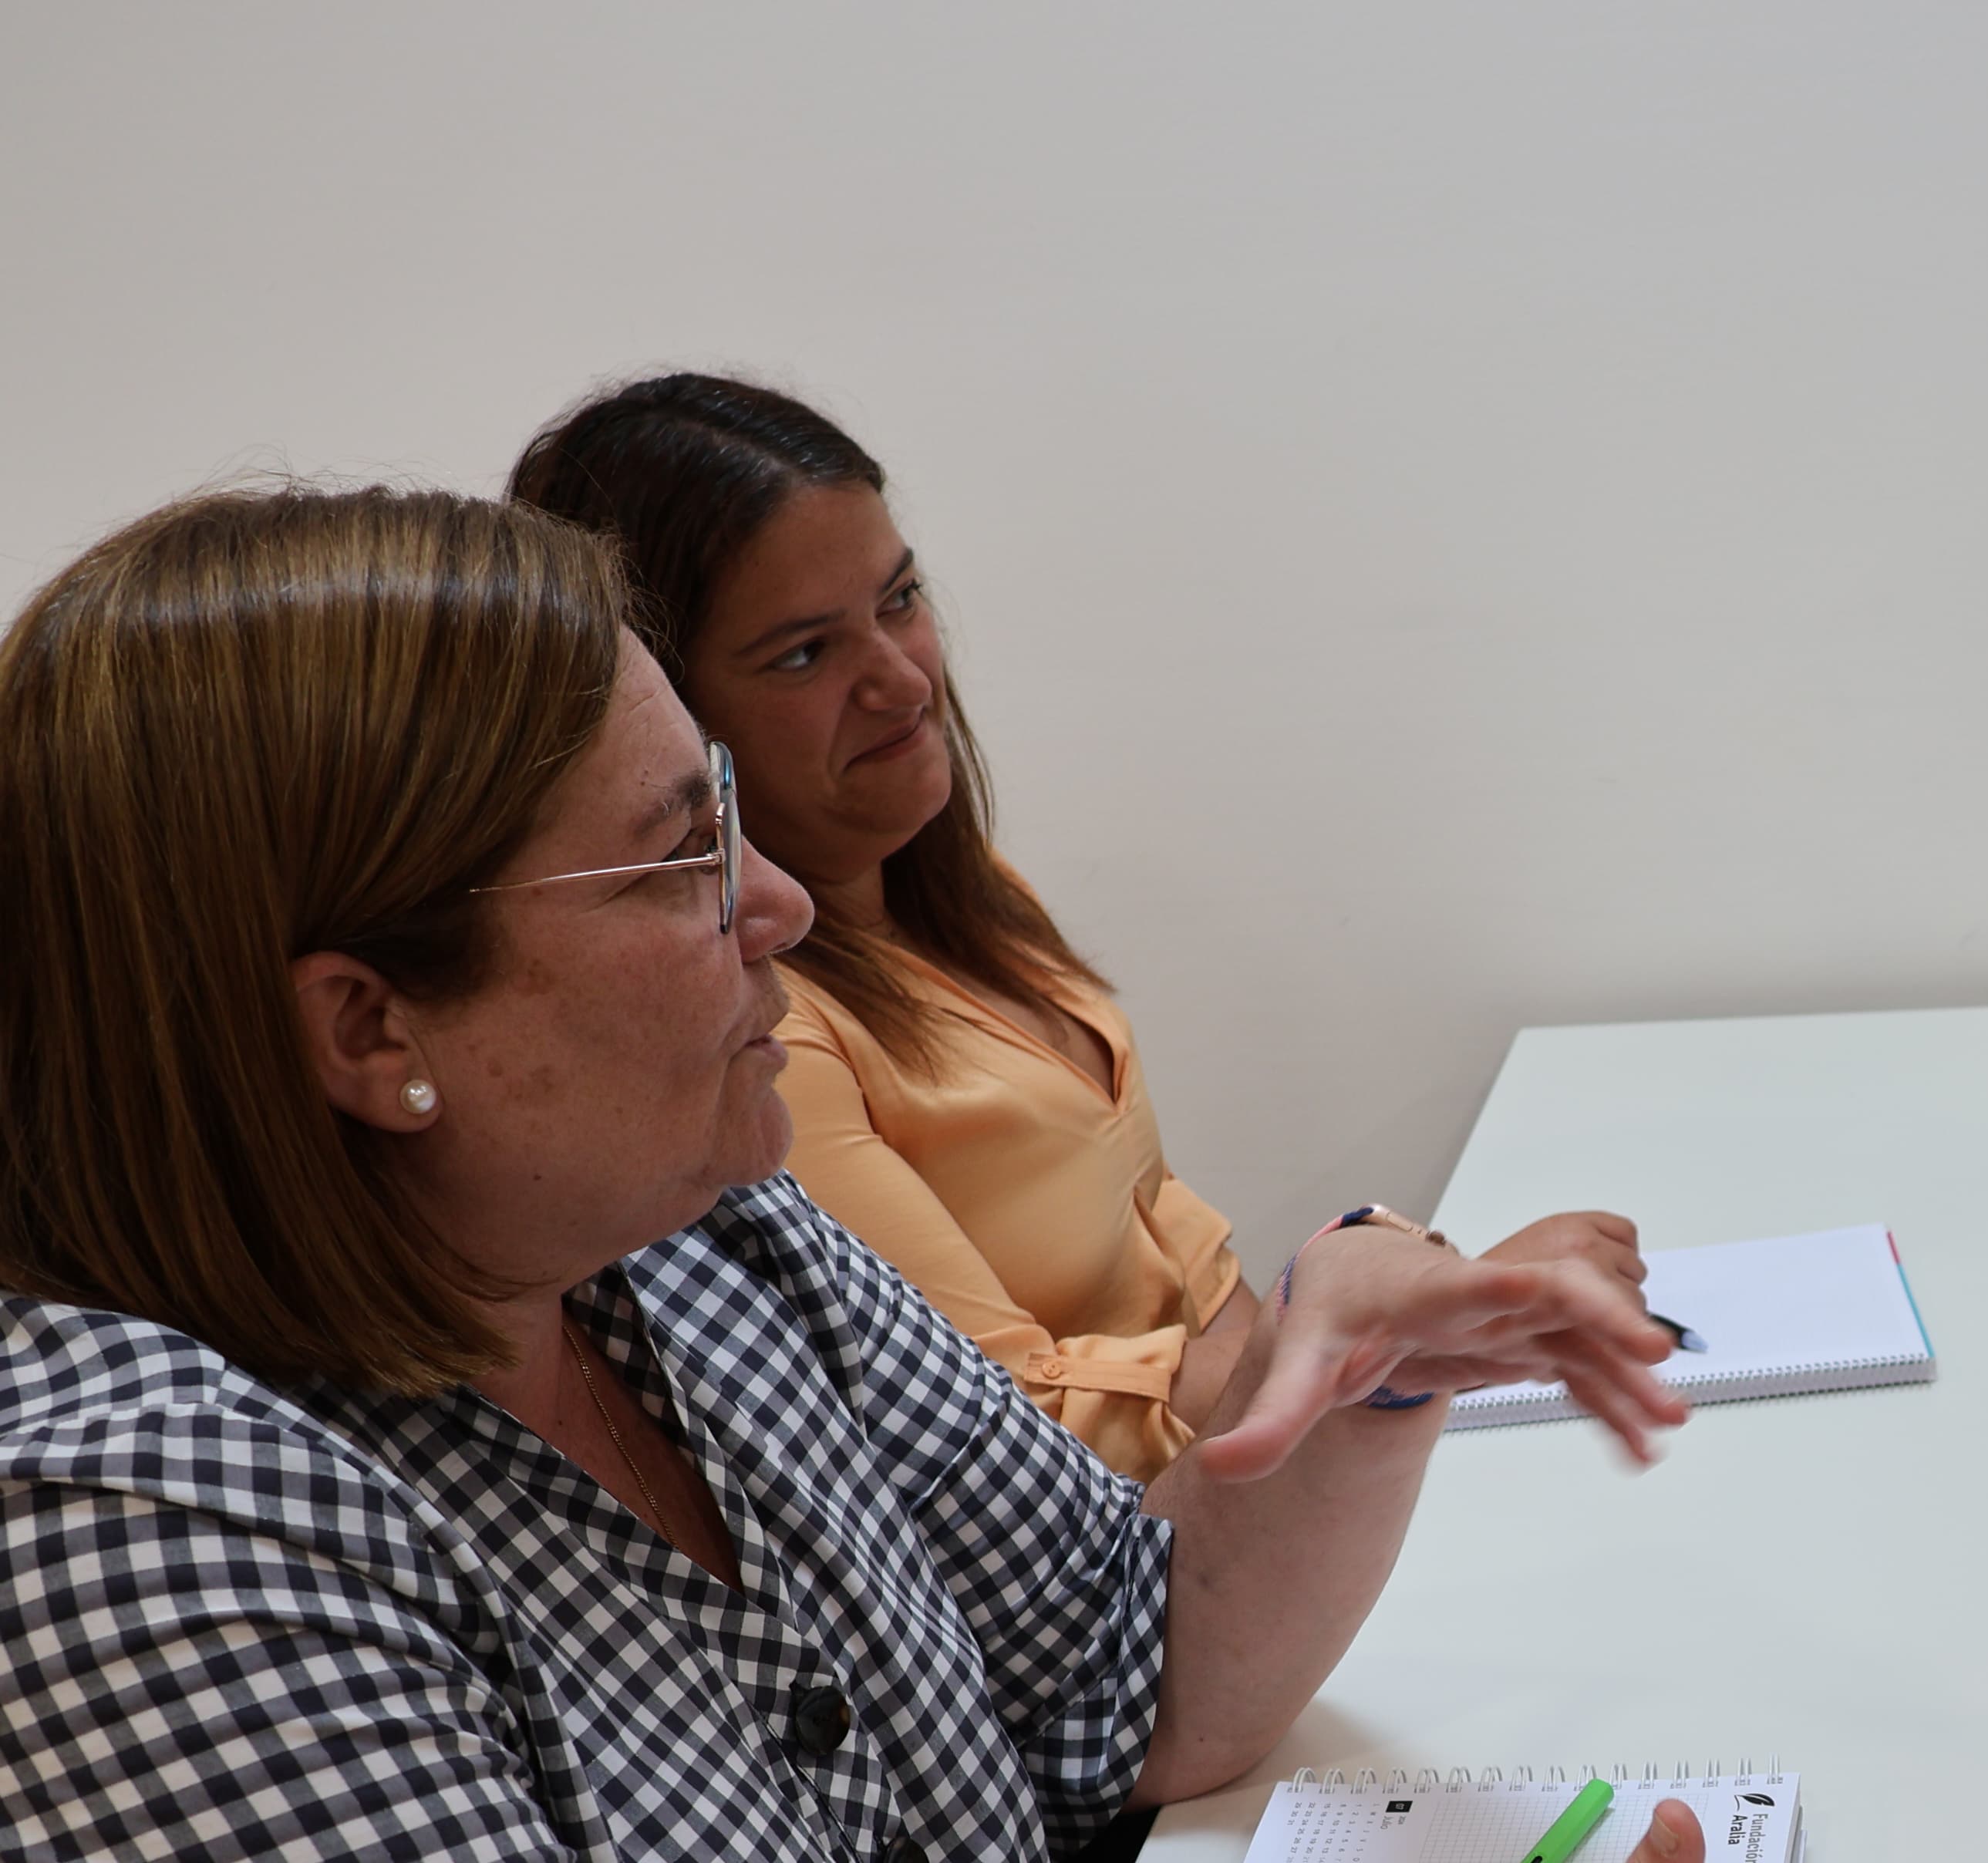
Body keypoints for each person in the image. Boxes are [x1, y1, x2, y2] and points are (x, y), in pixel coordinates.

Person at [0, 485, 1988, 1863]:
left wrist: (1353, 1392)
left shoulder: (678, 1231)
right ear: (369, 1031)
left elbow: (1128, 1688)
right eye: (679, 856)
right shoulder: (134, 1563)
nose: (779, 904)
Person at [508, 372, 1640, 1483]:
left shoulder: (959, 893)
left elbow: (1184, 1259)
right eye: (806, 654)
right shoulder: (770, 1042)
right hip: (1117, 1562)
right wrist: (1385, 1333)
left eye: (900, 600)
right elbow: (1008, 1426)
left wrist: (1399, 1321)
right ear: (664, 720)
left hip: (1248, 1493)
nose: (901, 681)